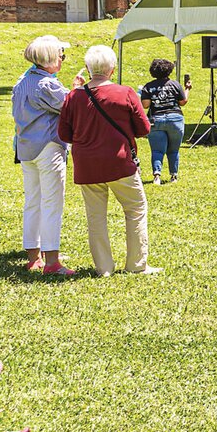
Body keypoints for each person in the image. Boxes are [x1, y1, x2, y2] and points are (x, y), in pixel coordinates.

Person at [57, 45, 156, 277]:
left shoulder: (74, 96)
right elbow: (144, 128)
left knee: (95, 216)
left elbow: (64, 134)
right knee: (135, 209)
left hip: (87, 165)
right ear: (112, 69)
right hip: (119, 162)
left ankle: (104, 268)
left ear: (89, 69)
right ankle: (136, 264)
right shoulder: (126, 92)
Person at [13, 34, 74, 275]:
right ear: (50, 58)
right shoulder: (47, 84)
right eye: (61, 56)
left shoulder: (22, 82)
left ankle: (33, 255)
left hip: (26, 147)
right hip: (48, 147)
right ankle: (52, 262)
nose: (63, 60)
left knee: (33, 202)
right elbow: (69, 106)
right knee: (52, 203)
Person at [140, 58, 188, 185]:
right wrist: (187, 89)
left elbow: (145, 105)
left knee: (157, 150)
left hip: (156, 120)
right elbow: (182, 102)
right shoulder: (175, 84)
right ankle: (174, 176)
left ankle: (156, 176)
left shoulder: (148, 86)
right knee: (174, 150)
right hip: (175, 119)